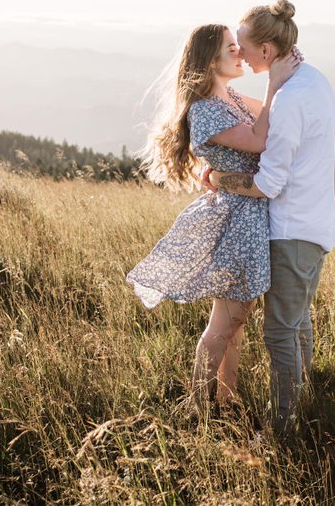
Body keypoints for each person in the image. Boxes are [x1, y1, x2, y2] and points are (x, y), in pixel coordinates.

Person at [126, 22, 301, 416]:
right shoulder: (206, 111)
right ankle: (200, 410)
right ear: (208, 61)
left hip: (249, 218)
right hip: (237, 223)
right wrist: (275, 82)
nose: (240, 52)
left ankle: (226, 401)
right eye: (231, 48)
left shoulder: (230, 99)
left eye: (239, 46)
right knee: (225, 324)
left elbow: (274, 119)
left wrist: (285, 79)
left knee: (233, 325)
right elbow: (259, 139)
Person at [203, 0, 335, 438]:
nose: (239, 54)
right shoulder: (314, 81)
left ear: (266, 50)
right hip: (316, 225)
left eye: (243, 46)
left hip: (291, 229)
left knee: (279, 332)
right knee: (297, 321)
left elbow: (268, 184)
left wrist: (222, 180)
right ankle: (306, 403)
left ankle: (282, 430)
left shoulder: (290, 100)